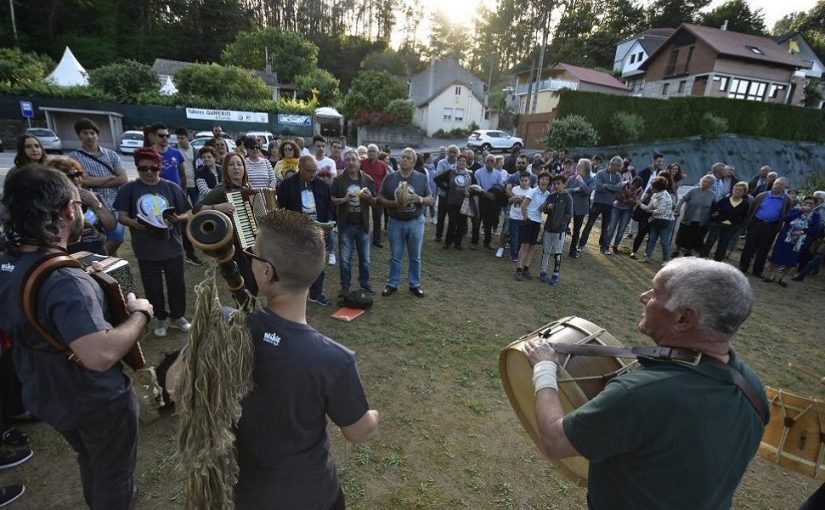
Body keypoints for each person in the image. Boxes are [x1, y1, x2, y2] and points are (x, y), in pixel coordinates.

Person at [524, 257, 767, 510]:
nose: (643, 296)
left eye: (655, 293)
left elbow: (555, 440)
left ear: (683, 318)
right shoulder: (751, 385)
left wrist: (544, 368)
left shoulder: (641, 394)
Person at [0, 165, 154, 510]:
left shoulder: (5, 263)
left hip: (42, 389)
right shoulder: (66, 280)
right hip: (92, 400)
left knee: (90, 460)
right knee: (114, 475)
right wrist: (140, 314)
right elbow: (98, 355)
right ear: (69, 211)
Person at [222, 210, 379, 509]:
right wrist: (374, 416)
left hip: (248, 497)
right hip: (314, 497)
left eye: (253, 254)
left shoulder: (226, 326)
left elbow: (175, 383)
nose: (250, 260)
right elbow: (359, 432)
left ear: (267, 272)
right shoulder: (334, 359)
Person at [114, 148, 192, 337]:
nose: (149, 172)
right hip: (146, 248)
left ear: (159, 167)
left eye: (153, 168)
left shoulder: (171, 187)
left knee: (177, 284)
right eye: (143, 168)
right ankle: (160, 318)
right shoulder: (129, 189)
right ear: (137, 168)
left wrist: (177, 219)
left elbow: (188, 212)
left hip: (171, 245)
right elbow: (122, 216)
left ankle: (178, 316)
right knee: (152, 286)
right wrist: (135, 223)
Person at [194, 153, 258, 296]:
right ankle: (243, 314)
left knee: (254, 284)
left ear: (244, 168)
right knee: (244, 285)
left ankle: (250, 313)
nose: (236, 168)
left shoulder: (249, 188)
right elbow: (196, 208)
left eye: (239, 164)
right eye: (231, 164)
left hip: (252, 245)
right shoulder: (221, 190)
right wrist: (217, 208)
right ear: (226, 170)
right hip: (236, 248)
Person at [277, 155, 335, 306]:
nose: (313, 174)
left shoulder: (322, 186)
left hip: (318, 230)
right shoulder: (287, 185)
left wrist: (329, 222)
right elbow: (281, 209)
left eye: (315, 171)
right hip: (296, 231)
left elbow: (329, 207)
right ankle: (294, 294)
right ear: (300, 168)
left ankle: (316, 293)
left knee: (318, 263)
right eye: (309, 171)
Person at [377, 148, 433, 298]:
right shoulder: (390, 178)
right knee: (395, 255)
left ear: (414, 162)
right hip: (395, 222)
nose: (405, 160)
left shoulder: (421, 178)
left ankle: (414, 284)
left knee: (415, 256)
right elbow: (379, 199)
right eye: (403, 157)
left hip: (416, 222)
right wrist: (394, 204)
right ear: (399, 160)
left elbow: (430, 199)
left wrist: (420, 199)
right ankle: (392, 284)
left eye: (409, 158)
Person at [69, 118, 128, 256]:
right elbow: (84, 181)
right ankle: (104, 263)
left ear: (97, 135)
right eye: (85, 133)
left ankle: (101, 260)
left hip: (114, 202)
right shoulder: (74, 157)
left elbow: (123, 178)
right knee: (100, 238)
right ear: (79, 135)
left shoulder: (111, 154)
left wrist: (94, 180)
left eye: (92, 133)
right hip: (90, 204)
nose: (89, 136)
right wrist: (109, 177)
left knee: (116, 238)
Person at [330, 149, 377, 296]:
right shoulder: (338, 180)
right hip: (346, 225)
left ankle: (365, 283)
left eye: (353, 159)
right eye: (348, 159)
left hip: (362, 224)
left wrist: (369, 197)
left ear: (358, 162)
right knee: (345, 259)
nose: (351, 162)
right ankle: (345, 286)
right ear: (345, 162)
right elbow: (330, 200)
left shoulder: (367, 179)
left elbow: (375, 202)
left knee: (365, 259)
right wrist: (343, 200)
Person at [47, 157, 117, 255]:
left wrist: (96, 204)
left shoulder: (94, 196)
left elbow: (111, 225)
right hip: (70, 256)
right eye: (70, 176)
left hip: (98, 254)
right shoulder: (51, 204)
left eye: (78, 174)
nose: (76, 179)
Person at [739, 177, 793, 278]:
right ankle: (743, 266)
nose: (778, 186)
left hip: (772, 226)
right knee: (749, 246)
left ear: (785, 186)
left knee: (764, 248)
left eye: (781, 184)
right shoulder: (762, 195)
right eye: (776, 184)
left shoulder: (787, 200)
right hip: (756, 223)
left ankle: (758, 270)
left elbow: (787, 213)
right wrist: (748, 224)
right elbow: (752, 209)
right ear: (773, 184)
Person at [763, 196, 821, 287]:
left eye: (811, 204)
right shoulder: (795, 210)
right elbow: (786, 219)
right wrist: (801, 211)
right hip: (785, 237)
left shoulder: (816, 215)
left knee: (791, 259)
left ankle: (783, 278)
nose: (808, 205)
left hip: (799, 242)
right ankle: (772, 275)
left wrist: (802, 231)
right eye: (806, 202)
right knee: (776, 257)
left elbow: (815, 229)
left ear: (815, 205)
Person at [577, 156, 626, 255]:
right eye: (618, 166)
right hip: (597, 203)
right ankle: (581, 244)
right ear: (613, 165)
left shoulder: (619, 176)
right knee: (589, 224)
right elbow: (599, 187)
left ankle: (603, 247)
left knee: (605, 227)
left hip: (609, 204)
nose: (620, 169)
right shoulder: (600, 173)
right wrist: (612, 187)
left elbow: (620, 188)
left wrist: (607, 186)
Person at [434, 153, 476, 250]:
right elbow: (437, 179)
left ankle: (458, 243)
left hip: (464, 202)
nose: (462, 162)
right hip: (452, 201)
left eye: (464, 161)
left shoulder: (470, 174)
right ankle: (448, 242)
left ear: (466, 163)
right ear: (457, 162)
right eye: (460, 161)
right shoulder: (451, 172)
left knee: (462, 223)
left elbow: (476, 187)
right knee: (452, 223)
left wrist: (471, 193)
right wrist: (447, 188)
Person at [515, 171, 552, 281]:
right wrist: (526, 218)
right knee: (524, 246)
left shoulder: (548, 195)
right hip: (529, 221)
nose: (544, 181)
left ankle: (526, 268)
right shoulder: (533, 191)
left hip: (537, 222)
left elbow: (544, 211)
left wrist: (547, 208)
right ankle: (518, 270)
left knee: (532, 246)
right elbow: (523, 205)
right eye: (542, 178)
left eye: (546, 179)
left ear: (549, 182)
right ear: (538, 180)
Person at [702, 182, 751, 261]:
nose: (737, 191)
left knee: (723, 245)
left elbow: (744, 217)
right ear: (733, 190)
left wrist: (737, 224)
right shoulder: (724, 200)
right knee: (710, 242)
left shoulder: (745, 204)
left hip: (730, 227)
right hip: (718, 224)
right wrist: (714, 217)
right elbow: (713, 209)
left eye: (740, 190)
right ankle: (703, 258)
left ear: (744, 192)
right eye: (736, 189)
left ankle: (717, 261)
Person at [538, 175, 573, 285]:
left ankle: (555, 274)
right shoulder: (551, 196)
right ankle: (543, 271)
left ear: (564, 184)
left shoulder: (568, 197)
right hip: (548, 228)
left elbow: (569, 214)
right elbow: (544, 210)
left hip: (559, 231)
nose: (556, 186)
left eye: (559, 183)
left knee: (557, 253)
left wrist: (561, 225)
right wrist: (546, 207)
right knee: (546, 251)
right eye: (555, 184)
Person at [673, 174, 717, 257]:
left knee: (695, 236)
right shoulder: (693, 191)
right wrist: (677, 210)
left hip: (702, 221)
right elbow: (682, 199)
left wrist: (715, 214)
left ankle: (689, 251)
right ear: (701, 181)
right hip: (688, 217)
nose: (705, 184)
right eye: (704, 181)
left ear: (711, 185)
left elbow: (715, 207)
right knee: (682, 234)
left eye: (708, 183)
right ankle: (677, 250)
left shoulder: (712, 195)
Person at [638, 176, 675, 263]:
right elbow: (648, 208)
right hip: (656, 220)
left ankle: (666, 260)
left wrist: (650, 211)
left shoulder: (665, 196)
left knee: (664, 241)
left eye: (652, 186)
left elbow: (661, 210)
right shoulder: (655, 195)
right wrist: (639, 203)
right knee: (652, 238)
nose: (651, 188)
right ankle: (647, 257)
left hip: (666, 221)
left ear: (657, 187)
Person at [472, 154, 504, 250]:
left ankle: (487, 242)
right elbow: (476, 187)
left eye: (492, 161)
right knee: (477, 221)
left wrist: (494, 196)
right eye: (488, 160)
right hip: (480, 199)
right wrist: (486, 194)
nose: (490, 162)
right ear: (485, 161)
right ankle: (474, 242)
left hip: (492, 201)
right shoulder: (478, 172)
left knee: (489, 223)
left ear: (494, 163)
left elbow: (500, 187)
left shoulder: (498, 174)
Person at [360, 144, 389, 248]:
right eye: (370, 151)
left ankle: (376, 240)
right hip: (363, 194)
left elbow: (385, 180)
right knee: (362, 217)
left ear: (377, 153)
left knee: (377, 219)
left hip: (377, 195)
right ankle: (362, 238)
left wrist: (383, 193)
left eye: (373, 151)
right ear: (367, 153)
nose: (371, 153)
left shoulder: (382, 165)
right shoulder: (362, 163)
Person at [564, 159, 594, 259]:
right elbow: (565, 190)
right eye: (577, 166)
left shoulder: (591, 179)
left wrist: (581, 182)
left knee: (576, 230)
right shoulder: (572, 178)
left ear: (586, 169)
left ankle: (572, 251)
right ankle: (557, 248)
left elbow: (588, 191)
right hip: (569, 207)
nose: (576, 167)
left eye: (579, 166)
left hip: (581, 208)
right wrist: (575, 189)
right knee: (563, 227)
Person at [605, 177, 643, 254]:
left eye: (636, 186)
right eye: (633, 185)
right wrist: (626, 196)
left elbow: (635, 202)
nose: (633, 187)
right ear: (632, 182)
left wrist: (628, 197)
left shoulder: (640, 191)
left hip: (628, 210)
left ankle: (615, 245)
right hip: (617, 207)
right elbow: (616, 195)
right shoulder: (624, 184)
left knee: (621, 229)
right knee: (611, 227)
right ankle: (606, 245)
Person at [433, 145, 459, 243]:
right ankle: (438, 235)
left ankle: (451, 236)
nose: (452, 154)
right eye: (450, 151)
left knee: (453, 217)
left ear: (457, 153)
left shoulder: (459, 163)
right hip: (443, 194)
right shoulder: (441, 162)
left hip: (455, 196)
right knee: (441, 216)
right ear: (447, 152)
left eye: (454, 152)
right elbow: (439, 177)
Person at [148, 123, 186, 188]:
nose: (165, 138)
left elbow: (182, 175)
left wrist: (183, 192)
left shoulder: (177, 153)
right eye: (161, 136)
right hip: (157, 194)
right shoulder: (147, 154)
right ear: (153, 136)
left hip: (175, 193)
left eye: (167, 136)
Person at [507, 172, 532, 262]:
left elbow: (532, 205)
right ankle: (513, 255)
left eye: (526, 181)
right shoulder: (514, 189)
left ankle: (519, 253)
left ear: (529, 181)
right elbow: (509, 202)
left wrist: (525, 200)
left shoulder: (531, 191)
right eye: (522, 180)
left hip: (525, 217)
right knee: (514, 237)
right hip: (514, 216)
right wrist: (514, 199)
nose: (524, 182)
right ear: (519, 181)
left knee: (522, 237)